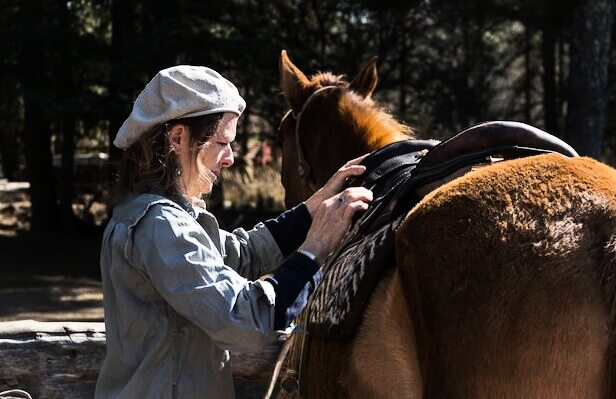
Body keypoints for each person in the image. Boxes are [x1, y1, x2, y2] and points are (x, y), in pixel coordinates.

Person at [94, 65, 372, 398]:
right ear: (178, 138)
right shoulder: (161, 227)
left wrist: (315, 205)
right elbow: (245, 320)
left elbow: (241, 254)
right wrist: (315, 250)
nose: (229, 160)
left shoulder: (154, 215)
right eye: (222, 143)